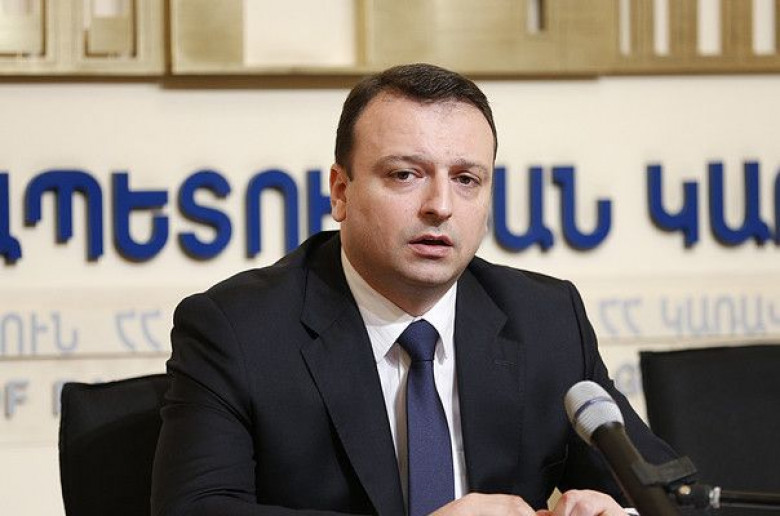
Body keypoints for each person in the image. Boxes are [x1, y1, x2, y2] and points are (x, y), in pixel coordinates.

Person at [151, 63, 676, 516]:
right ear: (341, 191)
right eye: (406, 175)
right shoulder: (237, 329)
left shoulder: (546, 320)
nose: (440, 206)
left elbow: (671, 495)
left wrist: (620, 510)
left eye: (466, 179)